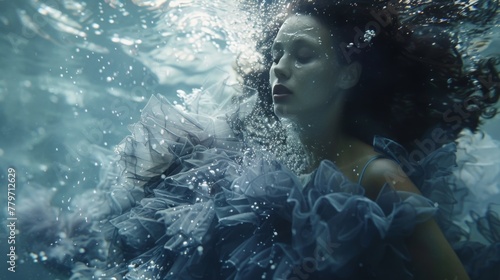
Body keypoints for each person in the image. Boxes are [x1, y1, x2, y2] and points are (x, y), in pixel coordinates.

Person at [19, 0, 499, 279]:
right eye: (276, 54)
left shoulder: (377, 174)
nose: (280, 68)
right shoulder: (256, 142)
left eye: (304, 55)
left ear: (349, 75)